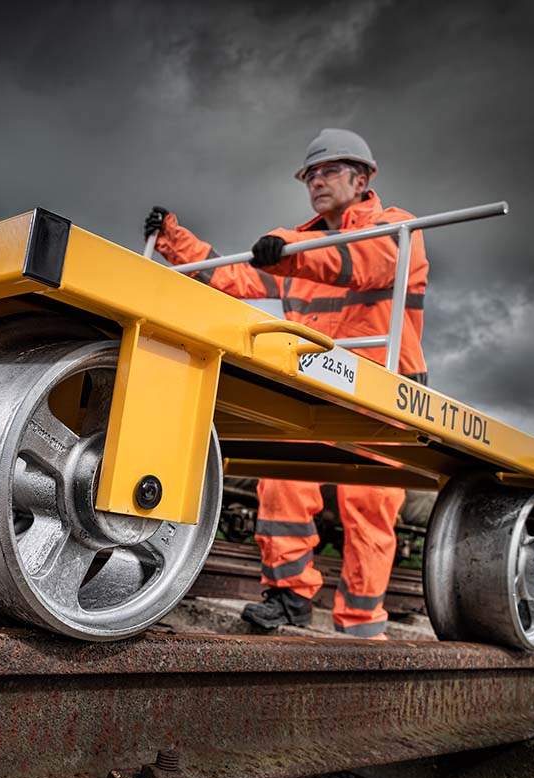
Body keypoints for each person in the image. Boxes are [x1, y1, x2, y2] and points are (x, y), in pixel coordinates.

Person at [144, 128, 428, 639]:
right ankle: (289, 598)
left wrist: (290, 249)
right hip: (317, 386)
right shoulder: (296, 250)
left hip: (381, 389)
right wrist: (172, 241)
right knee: (283, 488)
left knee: (370, 507)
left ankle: (363, 626)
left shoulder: (397, 228)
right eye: (310, 175)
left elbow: (365, 262)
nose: (316, 181)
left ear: (361, 179)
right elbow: (229, 278)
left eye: (328, 172)